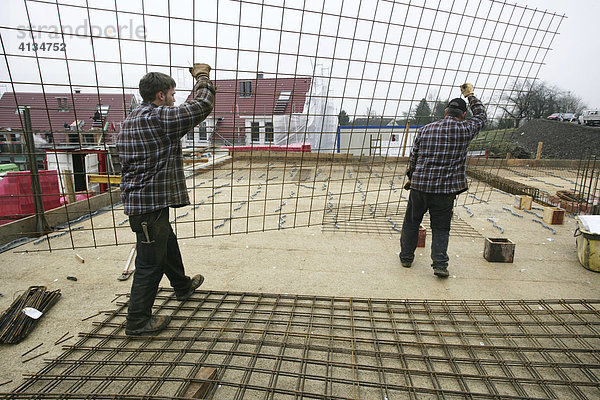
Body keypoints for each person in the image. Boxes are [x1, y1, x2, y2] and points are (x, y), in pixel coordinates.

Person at [117, 64, 215, 336]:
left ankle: (182, 286)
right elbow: (201, 107)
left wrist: (188, 96)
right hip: (147, 207)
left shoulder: (137, 117)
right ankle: (137, 321)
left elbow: (181, 114)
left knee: (167, 242)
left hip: (146, 204)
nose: (174, 99)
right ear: (160, 96)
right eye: (172, 94)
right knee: (149, 264)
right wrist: (203, 78)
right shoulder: (157, 119)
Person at [399, 83, 486, 278]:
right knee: (440, 227)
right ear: (463, 115)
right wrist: (470, 95)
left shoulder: (425, 130)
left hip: (420, 187)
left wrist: (411, 178)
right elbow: (481, 116)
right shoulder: (465, 129)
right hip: (445, 191)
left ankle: (406, 258)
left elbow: (414, 157)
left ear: (445, 112)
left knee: (411, 222)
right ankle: (440, 264)